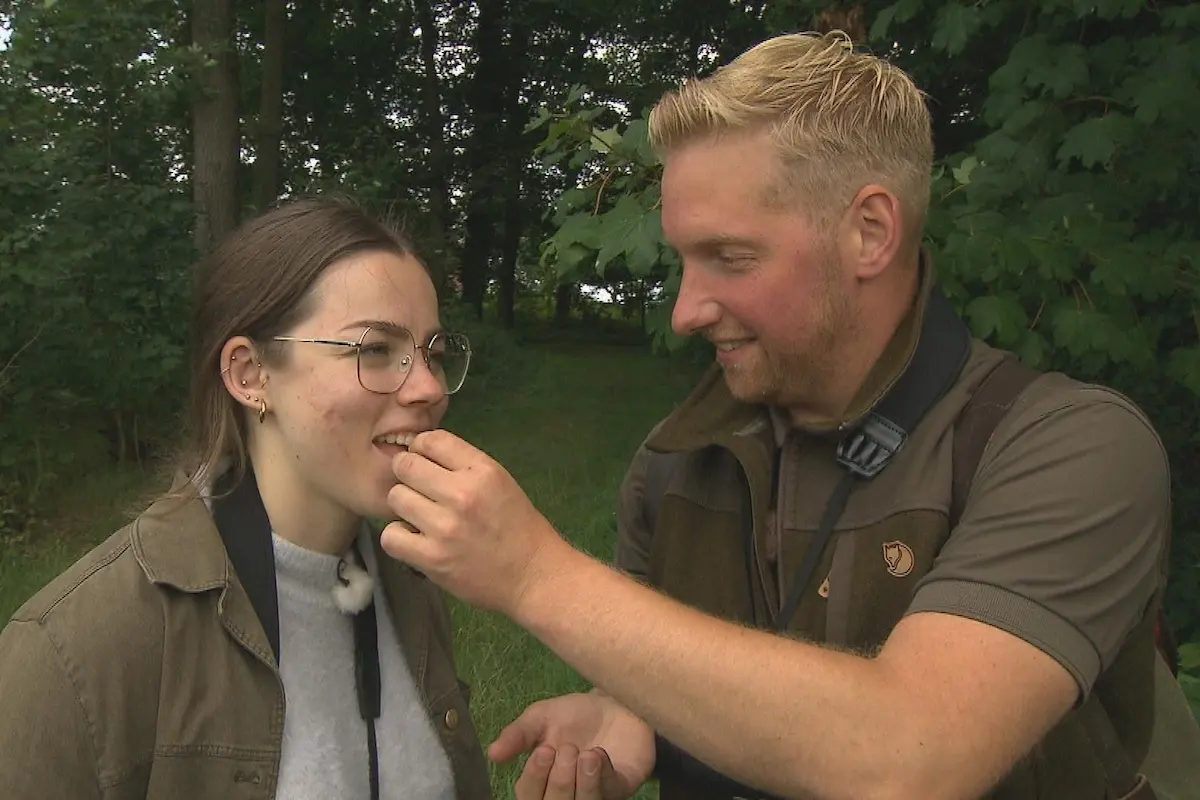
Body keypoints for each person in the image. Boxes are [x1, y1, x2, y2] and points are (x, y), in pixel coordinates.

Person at [377, 31, 1200, 800]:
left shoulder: (1066, 449)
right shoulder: (677, 463)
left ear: (870, 233)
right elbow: (673, 666)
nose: (686, 312)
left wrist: (533, 575)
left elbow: (913, 752)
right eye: (682, 261)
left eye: (729, 259)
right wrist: (634, 711)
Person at [0, 196, 492, 799]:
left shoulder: (412, 577)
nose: (428, 388)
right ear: (250, 376)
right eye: (374, 351)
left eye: (433, 354)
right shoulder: (74, 650)